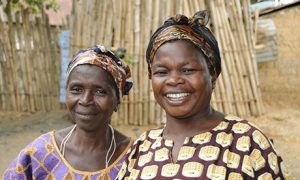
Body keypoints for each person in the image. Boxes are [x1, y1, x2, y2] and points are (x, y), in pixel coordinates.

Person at [117, 11, 292, 179]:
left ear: (213, 76)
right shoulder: (142, 148)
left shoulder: (247, 142)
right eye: (162, 72)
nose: (174, 80)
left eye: (188, 70)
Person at [3, 45, 133, 179]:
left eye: (100, 91)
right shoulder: (40, 154)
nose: (85, 100)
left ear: (117, 100)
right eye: (77, 89)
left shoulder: (134, 156)